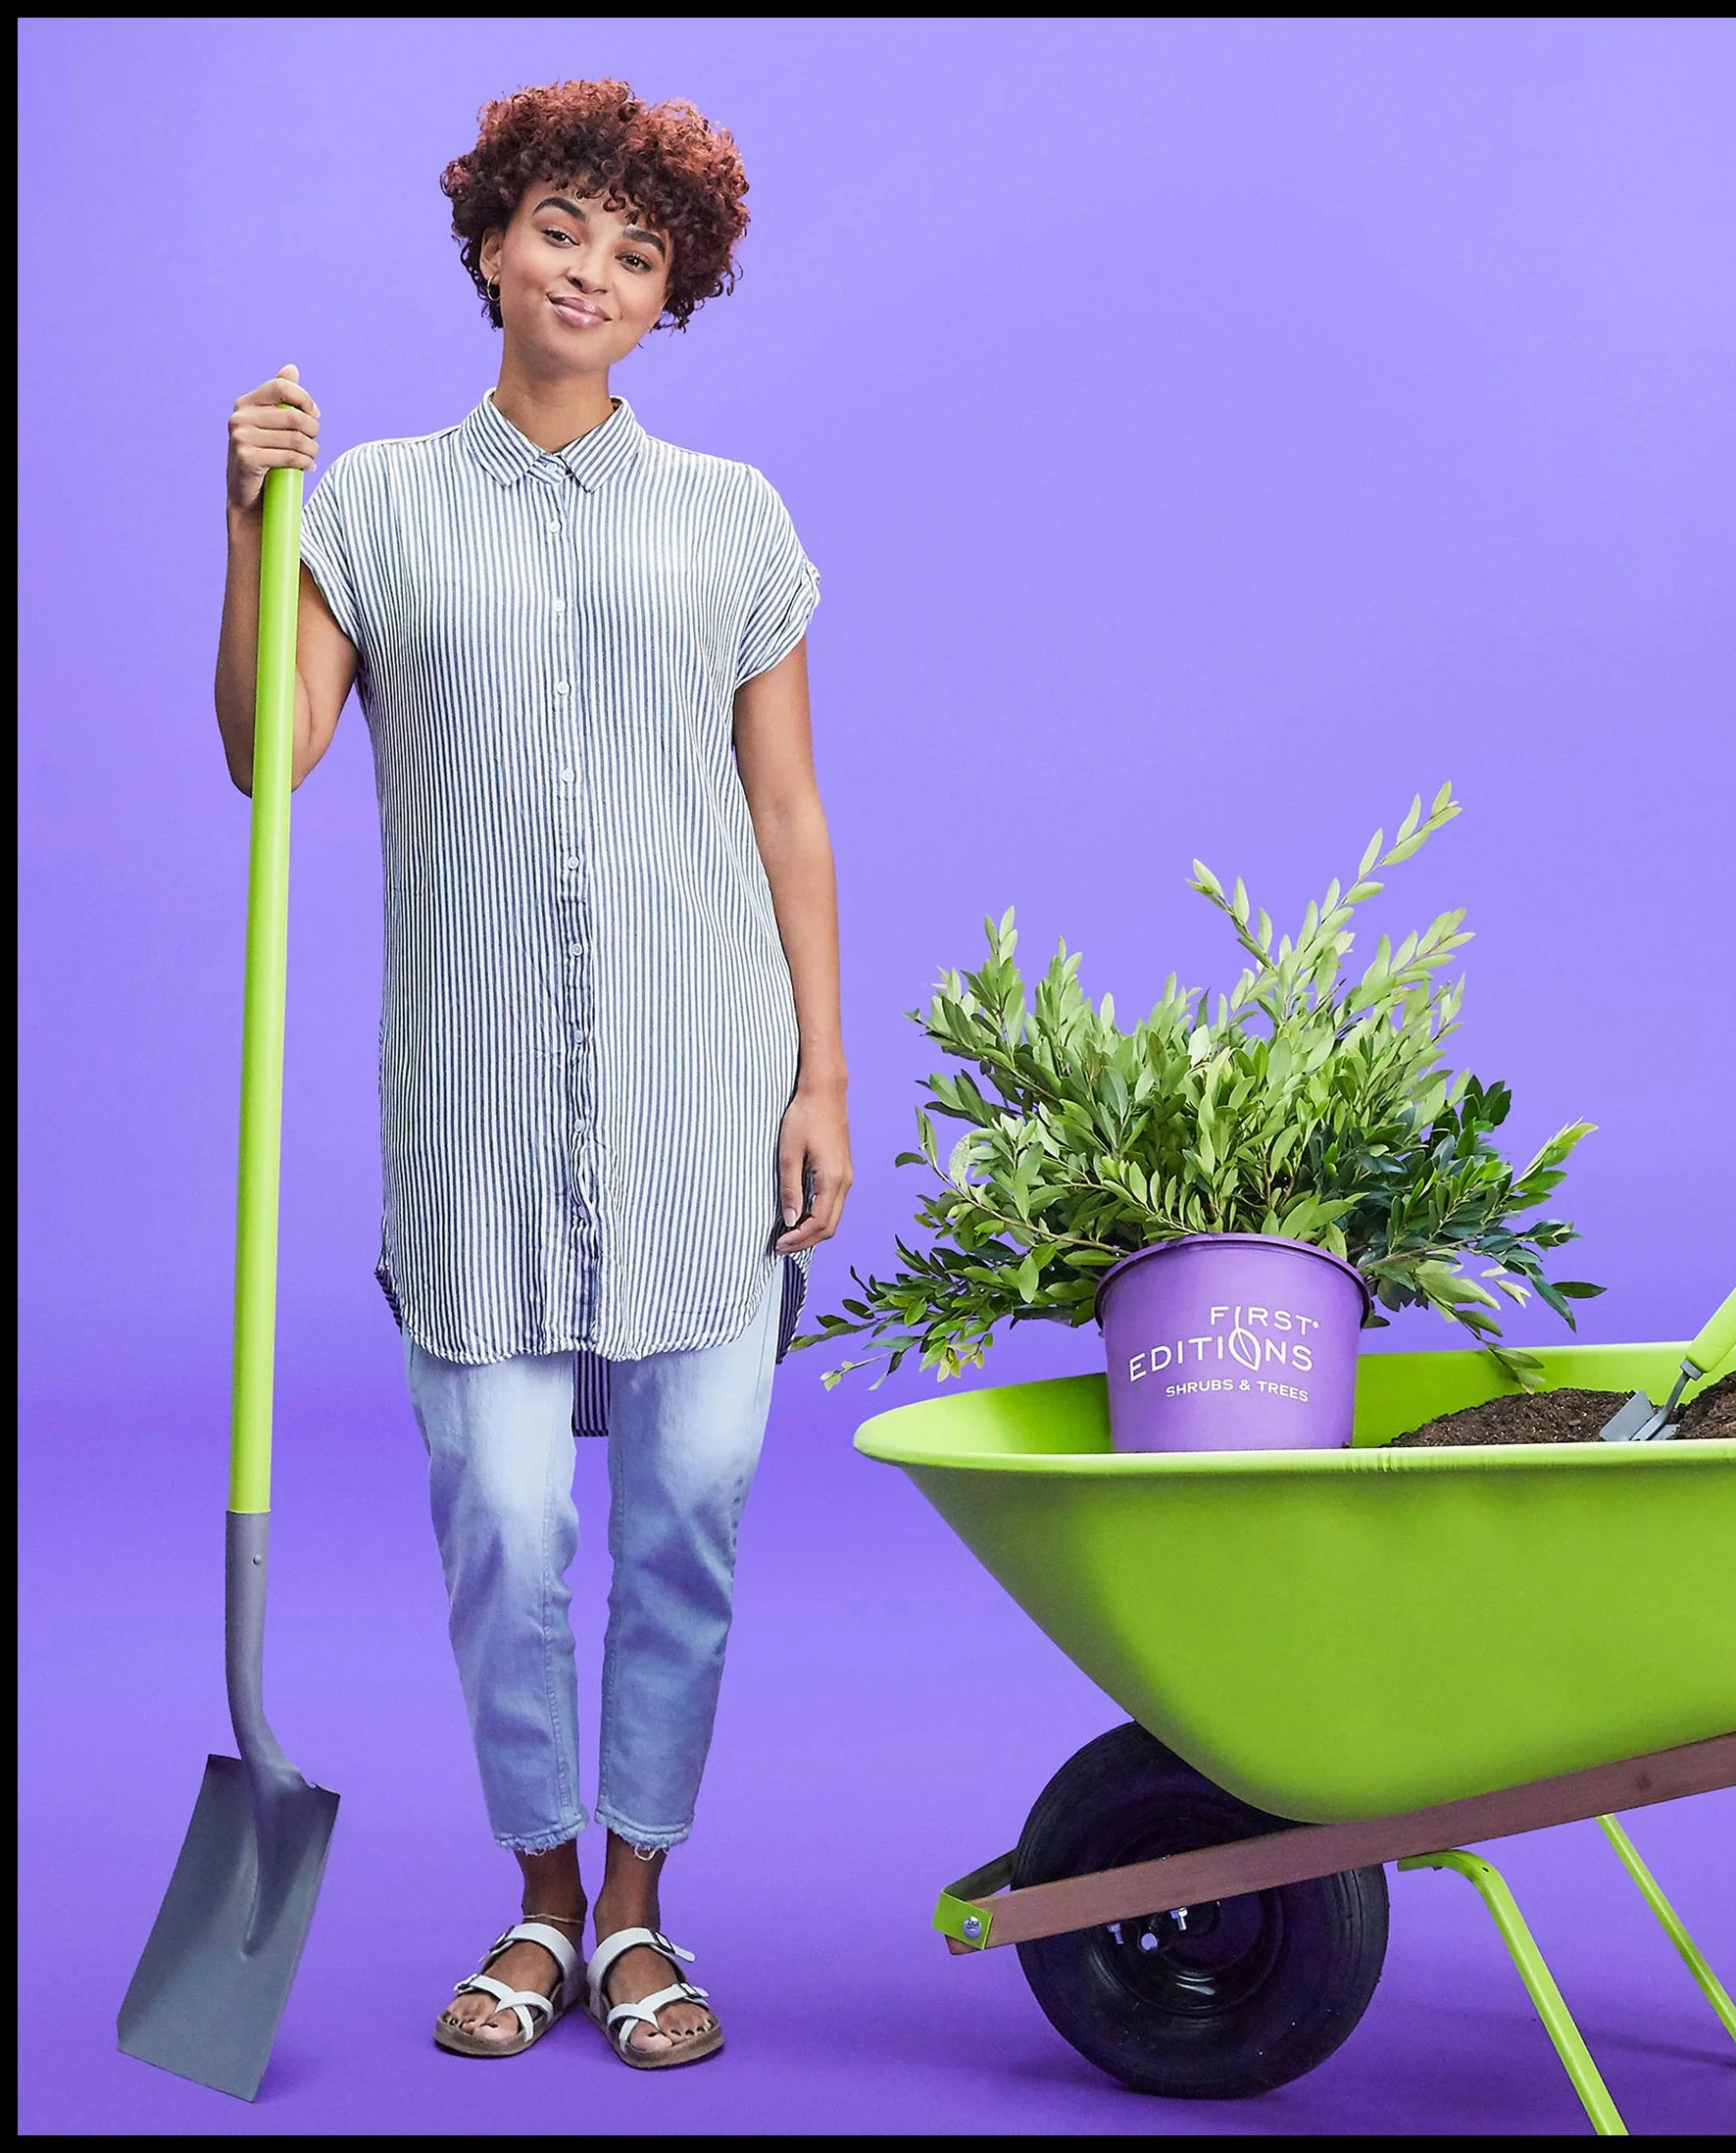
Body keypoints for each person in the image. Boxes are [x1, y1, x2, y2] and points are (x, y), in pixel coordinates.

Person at [214, 78, 852, 2071]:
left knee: (694, 1510)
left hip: (703, 1092)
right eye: (563, 229)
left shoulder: (734, 516)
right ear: (494, 240)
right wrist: (245, 527)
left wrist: (822, 1075)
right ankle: (540, 1896)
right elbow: (267, 758)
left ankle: (643, 1907)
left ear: (673, 298)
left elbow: (790, 812)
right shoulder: (376, 506)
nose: (592, 271)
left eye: (637, 254)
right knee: (503, 1521)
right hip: (474, 1115)